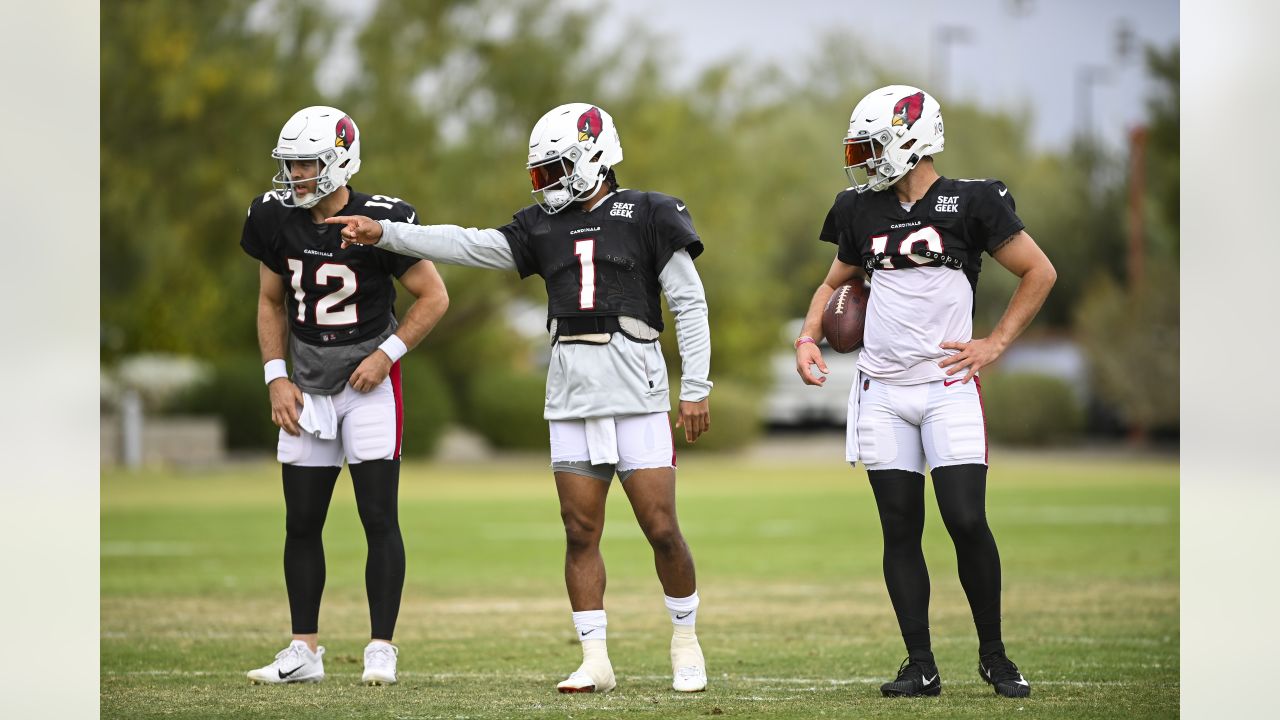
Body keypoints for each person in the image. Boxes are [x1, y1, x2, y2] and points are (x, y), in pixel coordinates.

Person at [325, 102, 712, 694]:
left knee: (661, 527)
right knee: (579, 530)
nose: (547, 184)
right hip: (570, 390)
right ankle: (595, 659)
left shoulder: (652, 212)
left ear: (592, 158)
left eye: (556, 169)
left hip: (637, 387)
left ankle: (685, 642)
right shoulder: (539, 225)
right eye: (540, 173)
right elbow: (468, 243)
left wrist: (698, 386)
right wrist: (388, 233)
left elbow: (688, 302)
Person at [795, 85, 1056, 699]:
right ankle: (921, 663)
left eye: (871, 145)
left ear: (910, 141)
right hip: (882, 390)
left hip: (947, 385)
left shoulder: (974, 201)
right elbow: (834, 282)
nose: (861, 158)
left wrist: (994, 343)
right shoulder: (859, 209)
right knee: (899, 527)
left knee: (966, 518)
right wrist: (809, 337)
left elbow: (1038, 271)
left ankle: (993, 654)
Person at [240, 106, 450, 686]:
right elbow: (270, 302)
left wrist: (387, 356)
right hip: (306, 385)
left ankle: (381, 646)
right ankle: (303, 649)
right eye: (292, 164)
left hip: (369, 386)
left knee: (378, 515)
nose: (296, 175)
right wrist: (275, 377)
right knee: (301, 521)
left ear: (339, 160)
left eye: (307, 163)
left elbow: (434, 297)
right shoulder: (273, 216)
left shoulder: (382, 220)